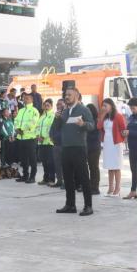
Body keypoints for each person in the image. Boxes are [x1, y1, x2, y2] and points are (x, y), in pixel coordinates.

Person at [55, 87, 94, 216]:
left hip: (79, 148)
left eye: (69, 95)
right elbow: (58, 128)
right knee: (67, 178)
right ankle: (70, 205)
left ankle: (88, 206)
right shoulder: (64, 112)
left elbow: (92, 125)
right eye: (66, 95)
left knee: (83, 177)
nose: (67, 97)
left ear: (77, 96)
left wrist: (83, 124)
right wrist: (57, 119)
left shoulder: (84, 109)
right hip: (66, 148)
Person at [97, 98, 127, 197]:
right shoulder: (105, 116)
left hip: (116, 144)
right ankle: (110, 187)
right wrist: (101, 115)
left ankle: (117, 188)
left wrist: (122, 139)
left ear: (111, 106)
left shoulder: (118, 116)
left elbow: (123, 129)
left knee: (116, 166)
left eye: (106, 105)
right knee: (110, 167)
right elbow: (99, 126)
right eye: (103, 106)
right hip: (107, 143)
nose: (104, 107)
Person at [14, 93, 40, 183]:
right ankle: (25, 175)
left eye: (27, 98)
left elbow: (33, 123)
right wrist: (17, 128)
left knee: (32, 158)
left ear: (32, 100)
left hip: (30, 138)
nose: (25, 100)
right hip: (21, 138)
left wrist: (22, 129)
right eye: (24, 98)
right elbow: (16, 120)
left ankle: (32, 177)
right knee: (23, 159)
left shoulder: (34, 111)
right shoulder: (21, 110)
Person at [37, 99, 55, 185]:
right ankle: (45, 178)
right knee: (44, 161)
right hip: (41, 142)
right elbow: (37, 127)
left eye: (48, 105)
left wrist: (44, 137)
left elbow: (51, 128)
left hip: (49, 142)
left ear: (51, 106)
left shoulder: (52, 116)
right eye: (45, 105)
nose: (46, 107)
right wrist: (38, 136)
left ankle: (51, 179)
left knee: (50, 162)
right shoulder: (42, 116)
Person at [48, 98, 65, 189]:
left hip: (64, 143)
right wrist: (51, 136)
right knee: (57, 164)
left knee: (64, 164)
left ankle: (65, 182)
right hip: (56, 143)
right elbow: (53, 127)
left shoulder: (66, 115)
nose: (58, 106)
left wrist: (59, 117)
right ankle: (59, 181)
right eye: (57, 105)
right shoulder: (56, 116)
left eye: (60, 104)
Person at [86, 104, 101, 195]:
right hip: (86, 147)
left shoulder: (96, 121)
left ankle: (95, 187)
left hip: (94, 147)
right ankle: (89, 186)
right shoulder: (86, 121)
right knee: (88, 168)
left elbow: (96, 136)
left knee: (94, 168)